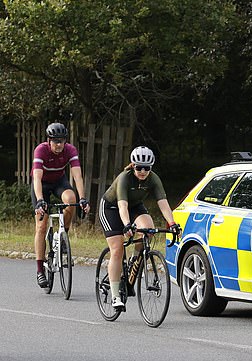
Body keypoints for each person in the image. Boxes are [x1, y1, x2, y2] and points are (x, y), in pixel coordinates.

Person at [98, 146, 180, 308]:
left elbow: (163, 204)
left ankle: (134, 261)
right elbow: (122, 206)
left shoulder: (154, 179)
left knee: (148, 230)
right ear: (133, 165)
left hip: (135, 206)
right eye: (139, 167)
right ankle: (116, 296)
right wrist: (127, 225)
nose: (142, 171)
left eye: (146, 168)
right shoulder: (125, 178)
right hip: (112, 208)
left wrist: (172, 224)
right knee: (117, 248)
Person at [31, 122, 90, 288]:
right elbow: (36, 178)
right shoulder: (40, 150)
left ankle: (63, 235)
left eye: (62, 141)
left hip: (58, 181)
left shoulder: (70, 150)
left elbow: (77, 176)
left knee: (71, 199)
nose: (59, 145)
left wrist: (83, 198)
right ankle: (40, 270)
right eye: (56, 141)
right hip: (41, 184)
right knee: (41, 226)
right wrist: (40, 200)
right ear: (49, 140)